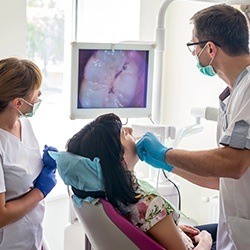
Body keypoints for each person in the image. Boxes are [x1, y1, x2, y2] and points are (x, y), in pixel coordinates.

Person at [136, 4, 250, 250]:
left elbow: (233, 164)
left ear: (210, 49)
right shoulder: (233, 94)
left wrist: (165, 153)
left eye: (193, 46)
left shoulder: (249, 89)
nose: (193, 54)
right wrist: (170, 164)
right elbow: (221, 178)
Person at [61, 113, 212, 250]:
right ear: (120, 161)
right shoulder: (150, 205)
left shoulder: (107, 197)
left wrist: (173, 230)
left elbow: (146, 231)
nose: (131, 131)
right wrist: (205, 239)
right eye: (124, 134)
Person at [0, 57, 57, 249]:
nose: (40, 94)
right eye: (36, 91)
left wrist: (44, 166)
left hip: (33, 236)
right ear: (17, 103)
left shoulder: (24, 123)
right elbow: (1, 215)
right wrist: (41, 190)